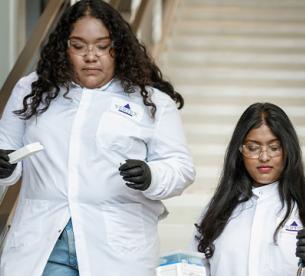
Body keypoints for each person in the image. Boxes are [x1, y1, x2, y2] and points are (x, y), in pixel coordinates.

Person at [0, 0, 195, 275]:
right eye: (78, 46)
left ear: (119, 47)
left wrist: (152, 175)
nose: (91, 56)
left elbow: (180, 167)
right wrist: (5, 167)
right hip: (44, 243)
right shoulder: (32, 90)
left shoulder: (151, 101)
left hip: (117, 246)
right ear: (63, 47)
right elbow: (7, 151)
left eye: (103, 46)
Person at [193, 103, 305, 275]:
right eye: (253, 148)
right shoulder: (218, 209)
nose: (263, 157)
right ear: (239, 151)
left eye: (274, 148)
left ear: (288, 150)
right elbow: (193, 267)